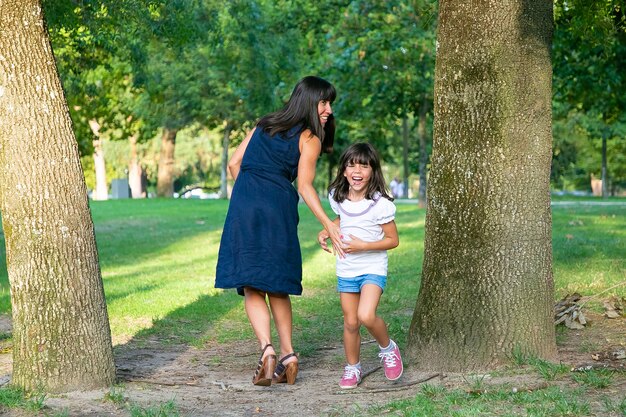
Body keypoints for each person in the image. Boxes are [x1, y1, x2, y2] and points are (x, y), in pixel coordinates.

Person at [215, 76, 345, 387]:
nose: (328, 109)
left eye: (330, 103)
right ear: (308, 101)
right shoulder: (310, 137)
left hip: (245, 204)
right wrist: (328, 222)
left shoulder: (265, 124)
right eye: (323, 102)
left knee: (251, 284)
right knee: (276, 283)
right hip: (278, 207)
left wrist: (246, 198)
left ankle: (268, 350)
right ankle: (288, 355)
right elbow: (303, 185)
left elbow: (235, 164)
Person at [318, 142, 403, 389]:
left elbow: (393, 240)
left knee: (365, 315)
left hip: (373, 267)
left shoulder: (380, 204)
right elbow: (342, 220)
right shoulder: (339, 198)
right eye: (351, 164)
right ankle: (353, 368)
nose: (357, 170)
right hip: (347, 268)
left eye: (363, 166)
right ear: (344, 170)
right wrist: (327, 230)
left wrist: (363, 246)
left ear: (372, 171)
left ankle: (388, 349)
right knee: (351, 322)